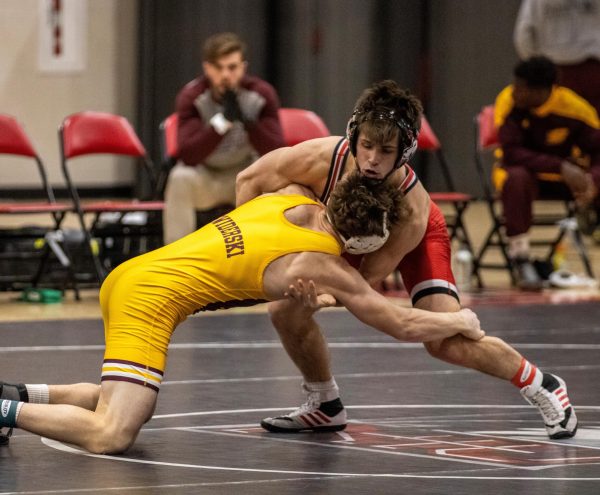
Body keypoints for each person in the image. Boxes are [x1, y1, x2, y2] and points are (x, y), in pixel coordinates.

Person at [0, 173, 485, 454]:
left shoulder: (290, 195)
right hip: (148, 301)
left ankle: (17, 395)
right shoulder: (321, 263)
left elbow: (257, 206)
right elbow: (398, 321)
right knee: (114, 432)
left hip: (132, 276)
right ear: (365, 239)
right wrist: (457, 320)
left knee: (119, 402)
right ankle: (2, 411)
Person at [236, 79, 578, 439]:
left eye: (385, 150)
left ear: (405, 150)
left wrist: (319, 295)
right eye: (366, 145)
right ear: (354, 137)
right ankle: (325, 404)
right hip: (345, 232)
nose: (371, 159)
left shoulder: (411, 209)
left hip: (410, 240)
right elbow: (248, 180)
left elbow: (364, 283)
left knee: (445, 342)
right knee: (284, 309)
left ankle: (542, 383)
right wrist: (257, 250)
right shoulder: (321, 158)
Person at [163, 32, 285, 244]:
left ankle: (268, 253)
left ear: (243, 67)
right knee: (179, 177)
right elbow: (188, 154)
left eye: (232, 67)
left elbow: (276, 151)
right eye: (219, 68)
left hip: (245, 174)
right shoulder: (192, 97)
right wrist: (221, 123)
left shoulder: (261, 94)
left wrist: (249, 124)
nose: (226, 75)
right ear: (207, 68)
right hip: (207, 177)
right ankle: (176, 257)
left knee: (276, 176)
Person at [494, 56, 600, 289]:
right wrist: (561, 166)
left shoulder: (575, 108)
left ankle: (592, 220)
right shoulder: (508, 102)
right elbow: (511, 153)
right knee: (517, 177)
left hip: (566, 181)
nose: (515, 91)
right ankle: (521, 258)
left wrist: (592, 180)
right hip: (525, 176)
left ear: (541, 91)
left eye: (521, 87)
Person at [514, 0, 600, 115]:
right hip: (592, 68)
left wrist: (536, 68)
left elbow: (523, 35)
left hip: (554, 70)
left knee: (554, 122)